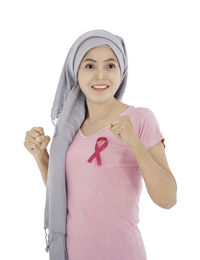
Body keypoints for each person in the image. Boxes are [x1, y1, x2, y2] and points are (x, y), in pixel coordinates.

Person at [24, 29, 177, 260]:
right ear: (75, 71)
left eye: (110, 66)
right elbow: (66, 193)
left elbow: (168, 199)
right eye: (89, 66)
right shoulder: (68, 131)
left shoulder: (140, 118)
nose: (100, 75)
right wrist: (40, 156)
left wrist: (134, 144)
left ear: (121, 71)